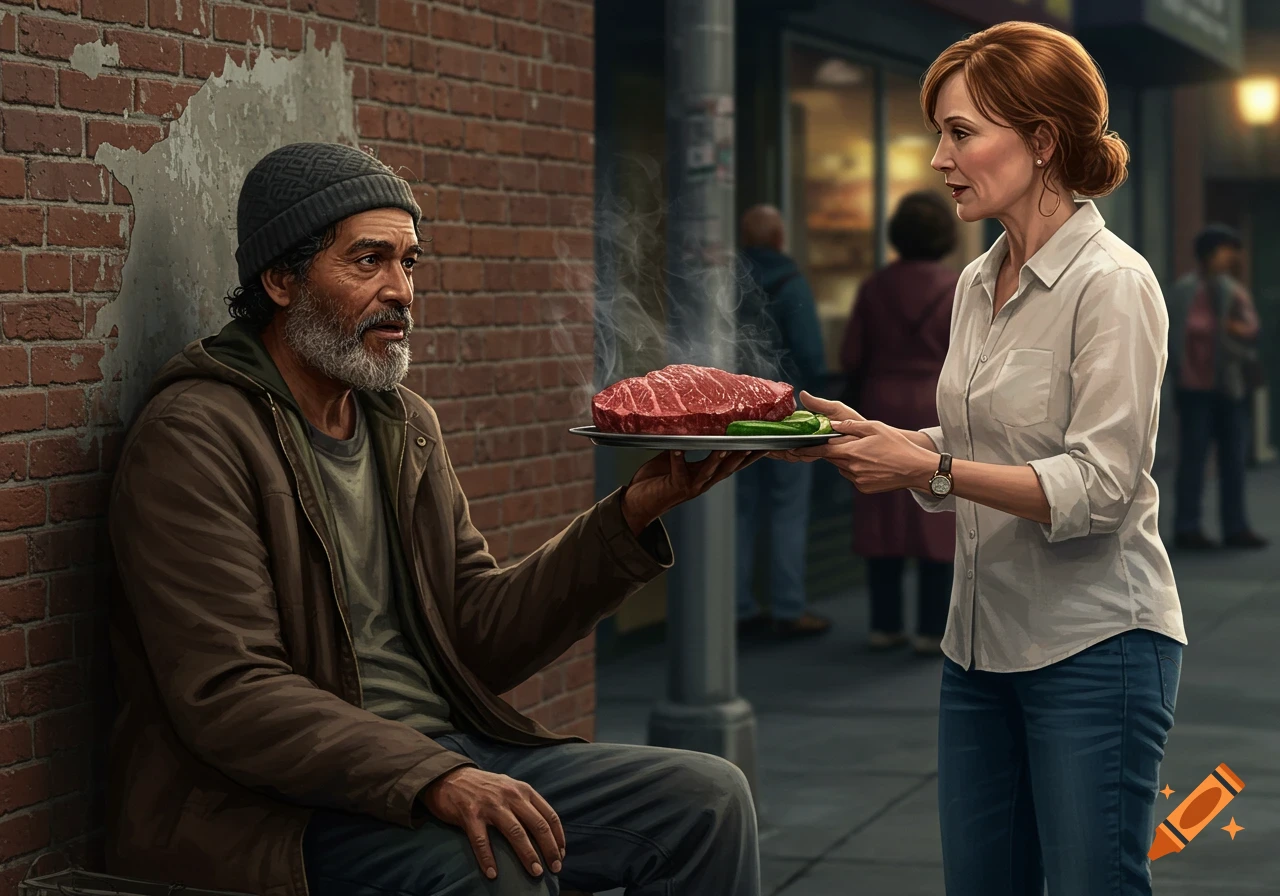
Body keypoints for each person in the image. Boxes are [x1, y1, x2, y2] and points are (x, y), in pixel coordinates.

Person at [106, 142, 763, 896]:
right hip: (278, 809)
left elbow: (477, 630)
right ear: (281, 280)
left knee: (708, 799)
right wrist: (434, 775)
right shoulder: (195, 435)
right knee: (499, 869)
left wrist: (632, 516)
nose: (401, 291)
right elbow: (231, 691)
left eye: (410, 263)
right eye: (368, 261)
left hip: (441, 756)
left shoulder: (400, 424)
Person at [774, 22, 1186, 896]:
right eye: (941, 134)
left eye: (961, 132)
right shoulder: (974, 280)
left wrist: (928, 470)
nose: (937, 158)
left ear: (1041, 141)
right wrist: (881, 439)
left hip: (1095, 647)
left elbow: (1101, 487)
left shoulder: (1113, 283)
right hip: (975, 650)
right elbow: (971, 447)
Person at [840, 191, 958, 656]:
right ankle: (932, 628)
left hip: (880, 402)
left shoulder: (875, 287)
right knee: (939, 508)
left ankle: (884, 624)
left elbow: (852, 354)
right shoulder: (957, 287)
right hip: (935, 405)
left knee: (880, 511)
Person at [734, 204, 831, 636]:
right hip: (787, 409)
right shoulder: (790, 280)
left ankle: (737, 607)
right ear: (778, 239)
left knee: (740, 508)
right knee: (788, 508)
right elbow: (810, 349)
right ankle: (788, 609)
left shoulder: (729, 282)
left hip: (735, 412)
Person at [1167, 223, 1267, 549]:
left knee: (1234, 460)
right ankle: (1188, 527)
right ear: (1211, 252)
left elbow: (1252, 328)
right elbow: (1172, 333)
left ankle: (1236, 527)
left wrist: (1229, 326)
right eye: (1226, 250)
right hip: (1193, 387)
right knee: (1193, 460)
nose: (1231, 258)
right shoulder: (1185, 290)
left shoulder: (1231, 290)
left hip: (1228, 386)